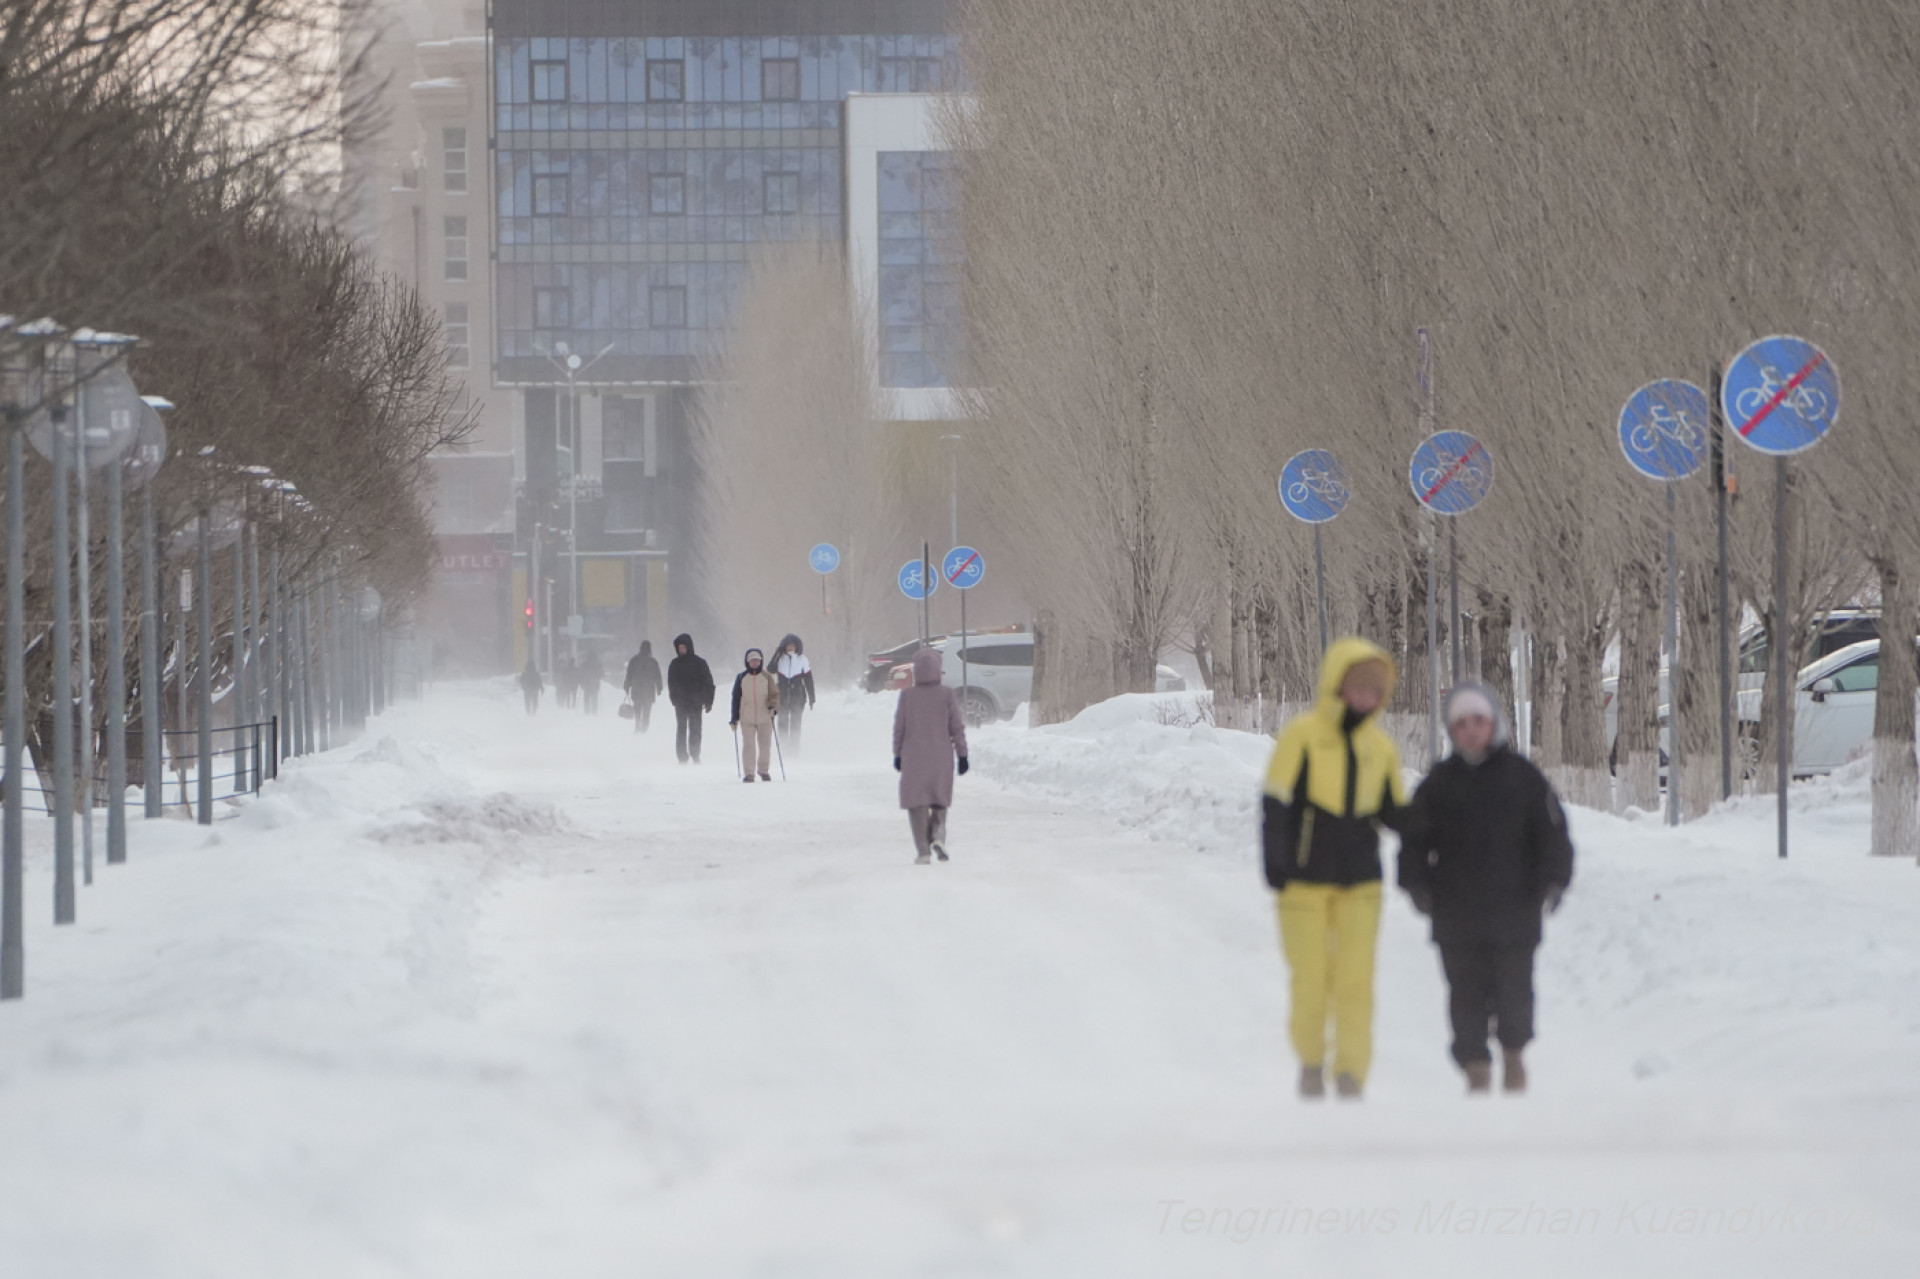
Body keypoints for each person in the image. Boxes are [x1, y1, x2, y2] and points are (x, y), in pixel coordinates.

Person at [1398, 681, 1574, 1095]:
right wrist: (1417, 885)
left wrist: (1553, 879)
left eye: (1479, 720)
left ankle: (1514, 1057)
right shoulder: (1438, 783)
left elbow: (1552, 835)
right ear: (1451, 731)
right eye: (1461, 723)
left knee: (1515, 991)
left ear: (1493, 723)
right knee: (1465, 995)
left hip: (1516, 912)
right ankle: (1475, 1067)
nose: (1471, 730)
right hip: (1457, 916)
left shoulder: (1523, 778)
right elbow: (1413, 841)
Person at [1262, 637, 1406, 1101]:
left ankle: (1350, 1074)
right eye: (1358, 687)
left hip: (1361, 883)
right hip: (1303, 882)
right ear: (1337, 686)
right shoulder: (1302, 736)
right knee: (1310, 979)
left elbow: (1394, 812)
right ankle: (1310, 1061)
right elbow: (1277, 804)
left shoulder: (1381, 748)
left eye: (1375, 690)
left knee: (1355, 981)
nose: (1366, 697)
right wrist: (1276, 861)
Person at [893, 647, 969, 865]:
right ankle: (938, 835)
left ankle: (923, 851)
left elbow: (900, 728)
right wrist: (962, 754)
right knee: (938, 800)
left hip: (913, 757)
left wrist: (897, 753)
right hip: (941, 757)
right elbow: (956, 727)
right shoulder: (946, 694)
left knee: (916, 804)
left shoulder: (907, 696)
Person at [729, 648, 782, 782]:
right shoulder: (741, 677)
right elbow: (736, 697)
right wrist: (734, 718)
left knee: (765, 745)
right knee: (749, 745)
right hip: (747, 717)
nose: (755, 663)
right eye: (752, 660)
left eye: (757, 660)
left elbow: (774, 694)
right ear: (747, 662)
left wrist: (773, 707)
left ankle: (763, 770)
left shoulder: (767, 676)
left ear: (761, 661)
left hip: (765, 716)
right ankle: (749, 773)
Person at [666, 633, 715, 764]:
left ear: (689, 647)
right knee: (681, 728)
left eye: (683, 647)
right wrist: (674, 697)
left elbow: (708, 682)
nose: (681, 650)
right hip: (681, 702)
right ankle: (682, 756)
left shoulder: (700, 663)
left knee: (695, 728)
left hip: (696, 701)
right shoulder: (675, 664)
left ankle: (695, 754)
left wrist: (708, 700)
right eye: (679, 647)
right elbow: (671, 682)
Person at [773, 633, 816, 753]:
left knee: (795, 724)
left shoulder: (802, 660)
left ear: (797, 646)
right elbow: (770, 669)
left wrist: (812, 698)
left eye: (793, 646)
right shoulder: (780, 659)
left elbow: (808, 680)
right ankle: (782, 750)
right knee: (782, 723)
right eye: (788, 646)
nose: (790, 648)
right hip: (782, 696)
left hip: (798, 696)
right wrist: (776, 654)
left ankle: (794, 751)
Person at [623, 640, 662, 732]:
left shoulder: (634, 660)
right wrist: (659, 688)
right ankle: (644, 726)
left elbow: (629, 674)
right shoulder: (653, 661)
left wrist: (627, 686)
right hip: (648, 690)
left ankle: (637, 725)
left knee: (637, 709)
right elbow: (657, 676)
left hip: (636, 689)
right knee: (647, 710)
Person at [579, 648, 605, 715]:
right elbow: (602, 674)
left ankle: (586, 710)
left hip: (586, 683)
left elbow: (581, 673)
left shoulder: (584, 664)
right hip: (595, 683)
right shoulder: (598, 664)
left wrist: (581, 682)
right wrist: (597, 677)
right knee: (594, 697)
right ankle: (594, 710)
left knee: (586, 697)